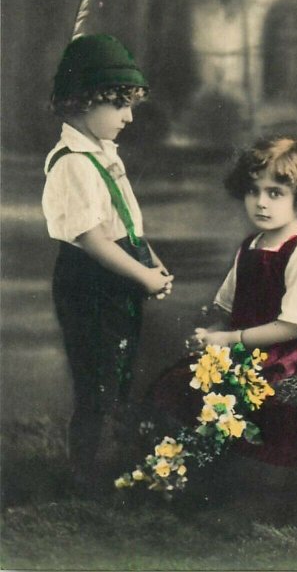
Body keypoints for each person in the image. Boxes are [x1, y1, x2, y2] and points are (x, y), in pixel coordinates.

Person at [151, 137, 297, 475]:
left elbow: (295, 325)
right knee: (179, 383)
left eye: (275, 193)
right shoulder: (251, 245)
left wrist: (227, 341)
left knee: (255, 398)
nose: (261, 203)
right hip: (243, 348)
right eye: (254, 191)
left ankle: (257, 482)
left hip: (286, 357)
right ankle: (196, 472)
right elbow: (227, 305)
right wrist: (211, 334)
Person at [42, 33, 173, 489]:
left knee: (118, 370)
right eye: (119, 105)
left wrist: (151, 264)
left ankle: (112, 466)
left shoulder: (101, 155)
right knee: (97, 376)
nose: (129, 116)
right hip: (89, 282)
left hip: (116, 276)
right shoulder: (73, 163)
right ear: (83, 102)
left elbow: (125, 226)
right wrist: (141, 274)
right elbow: (94, 240)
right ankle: (87, 477)